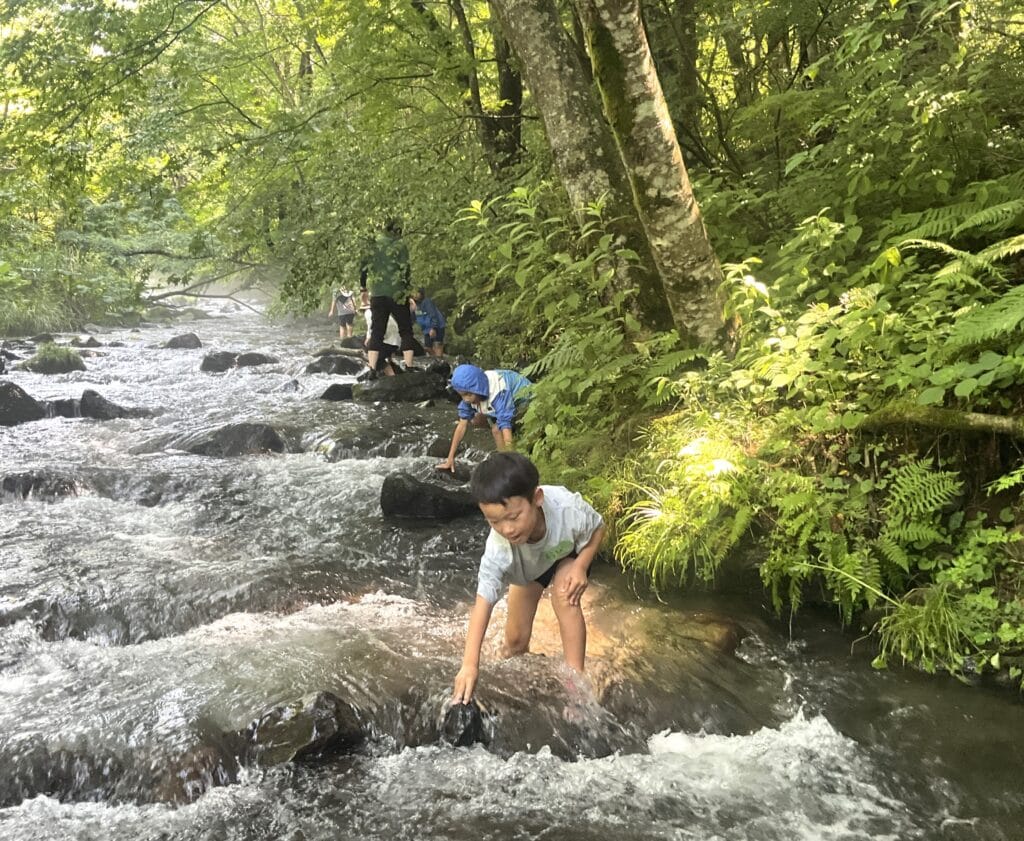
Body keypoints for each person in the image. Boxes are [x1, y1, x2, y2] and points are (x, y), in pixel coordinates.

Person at [451, 452, 606, 704]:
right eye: (494, 522)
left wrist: (581, 565)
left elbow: (598, 528)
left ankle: (575, 683)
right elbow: (483, 603)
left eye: (513, 517)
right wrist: (469, 665)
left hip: (567, 553)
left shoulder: (567, 509)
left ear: (537, 499)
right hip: (530, 569)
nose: (507, 529)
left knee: (565, 595)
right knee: (515, 643)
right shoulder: (499, 550)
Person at [437, 363, 532, 472]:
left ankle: (507, 463)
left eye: (468, 394)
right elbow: (461, 426)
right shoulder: (472, 393)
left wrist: (512, 459)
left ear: (477, 388)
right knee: (476, 420)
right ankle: (506, 459)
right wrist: (450, 458)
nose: (466, 399)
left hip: (524, 399)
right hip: (497, 404)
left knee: (497, 429)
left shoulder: (498, 392)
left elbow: (505, 427)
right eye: (462, 395)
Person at [360, 218, 417, 377]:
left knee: (377, 331)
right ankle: (410, 367)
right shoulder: (400, 245)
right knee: (406, 330)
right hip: (397, 293)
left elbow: (363, 267)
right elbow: (405, 270)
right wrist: (407, 290)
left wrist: (363, 287)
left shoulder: (373, 244)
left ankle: (372, 369)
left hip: (377, 293)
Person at [410, 288, 446, 357]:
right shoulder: (414, 304)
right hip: (426, 329)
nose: (415, 295)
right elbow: (412, 319)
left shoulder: (427, 302)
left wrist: (433, 328)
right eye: (413, 293)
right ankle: (435, 360)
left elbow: (433, 315)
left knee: (437, 344)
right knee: (427, 347)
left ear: (421, 293)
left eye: (417, 293)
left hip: (437, 326)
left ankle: (439, 360)